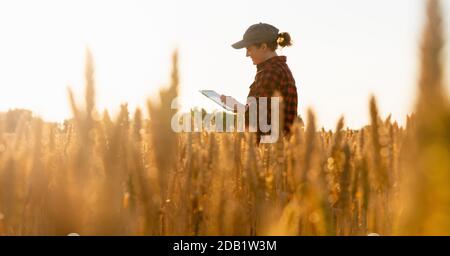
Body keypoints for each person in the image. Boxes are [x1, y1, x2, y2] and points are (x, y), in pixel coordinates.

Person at [221, 22, 298, 143]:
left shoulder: (271, 73)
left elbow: (259, 120)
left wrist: (235, 106)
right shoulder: (278, 69)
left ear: (263, 47)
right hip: (275, 148)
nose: (247, 54)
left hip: (269, 150)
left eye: (249, 49)